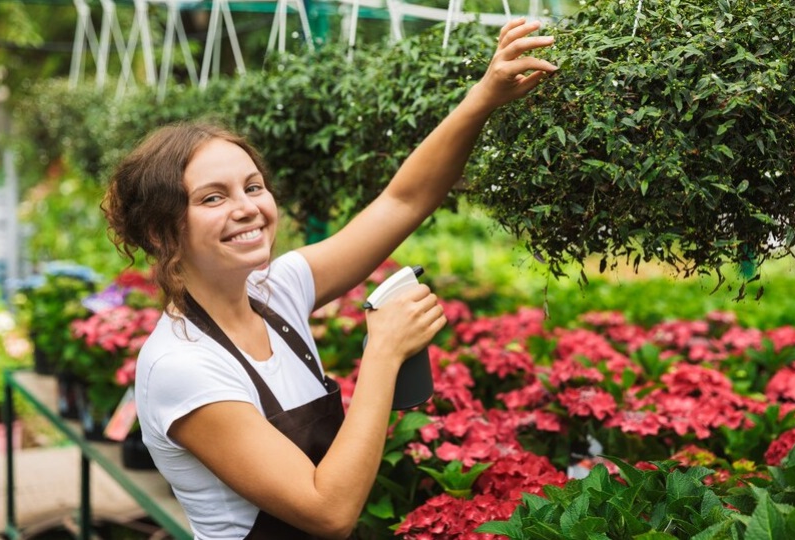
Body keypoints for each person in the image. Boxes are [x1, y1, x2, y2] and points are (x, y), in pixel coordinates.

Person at [102, 18, 557, 540]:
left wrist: (483, 97)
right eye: (213, 197)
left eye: (253, 187)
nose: (248, 208)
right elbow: (328, 511)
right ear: (161, 232)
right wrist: (384, 352)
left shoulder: (275, 292)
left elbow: (402, 200)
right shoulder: (182, 366)